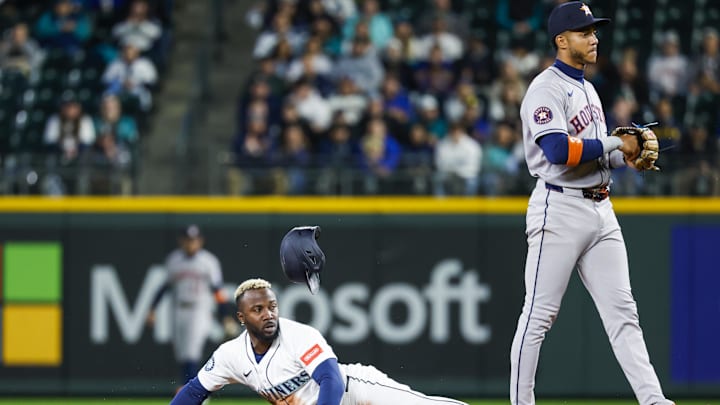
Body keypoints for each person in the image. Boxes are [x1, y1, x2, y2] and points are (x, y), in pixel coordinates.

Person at [509, 3, 675, 405]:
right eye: (584, 32)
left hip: (601, 209)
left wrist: (627, 154)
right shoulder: (545, 88)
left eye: (594, 31)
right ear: (561, 41)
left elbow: (598, 153)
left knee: (624, 313)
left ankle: (654, 401)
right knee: (538, 317)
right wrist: (618, 142)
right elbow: (559, 149)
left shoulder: (588, 89)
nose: (594, 38)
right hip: (559, 209)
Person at [168, 228, 469, 405]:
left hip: (356, 392)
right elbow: (195, 390)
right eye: (257, 310)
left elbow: (331, 380)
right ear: (241, 318)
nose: (268, 313)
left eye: (272, 306)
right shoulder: (231, 355)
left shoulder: (298, 335)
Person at [148, 225, 236, 385]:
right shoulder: (173, 260)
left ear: (200, 241)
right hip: (178, 310)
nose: (190, 244)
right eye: (187, 240)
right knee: (182, 354)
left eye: (194, 240)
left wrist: (225, 316)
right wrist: (152, 309)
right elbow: (165, 287)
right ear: (181, 241)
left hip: (199, 310)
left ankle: (191, 393)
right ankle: (193, 389)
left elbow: (218, 291)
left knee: (191, 353)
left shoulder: (208, 261)